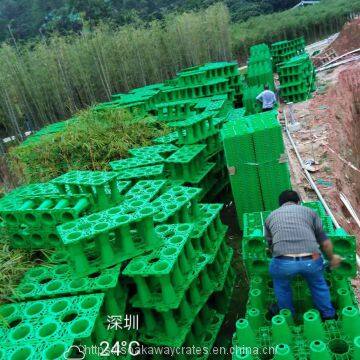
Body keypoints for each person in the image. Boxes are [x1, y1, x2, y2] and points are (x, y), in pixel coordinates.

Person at [265, 190, 342, 319]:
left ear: (280, 204)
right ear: (299, 202)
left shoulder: (270, 217)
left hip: (284, 261)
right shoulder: (310, 212)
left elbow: (270, 245)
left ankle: (287, 315)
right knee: (318, 284)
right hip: (312, 258)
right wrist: (332, 257)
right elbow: (325, 243)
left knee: (281, 285)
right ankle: (328, 315)